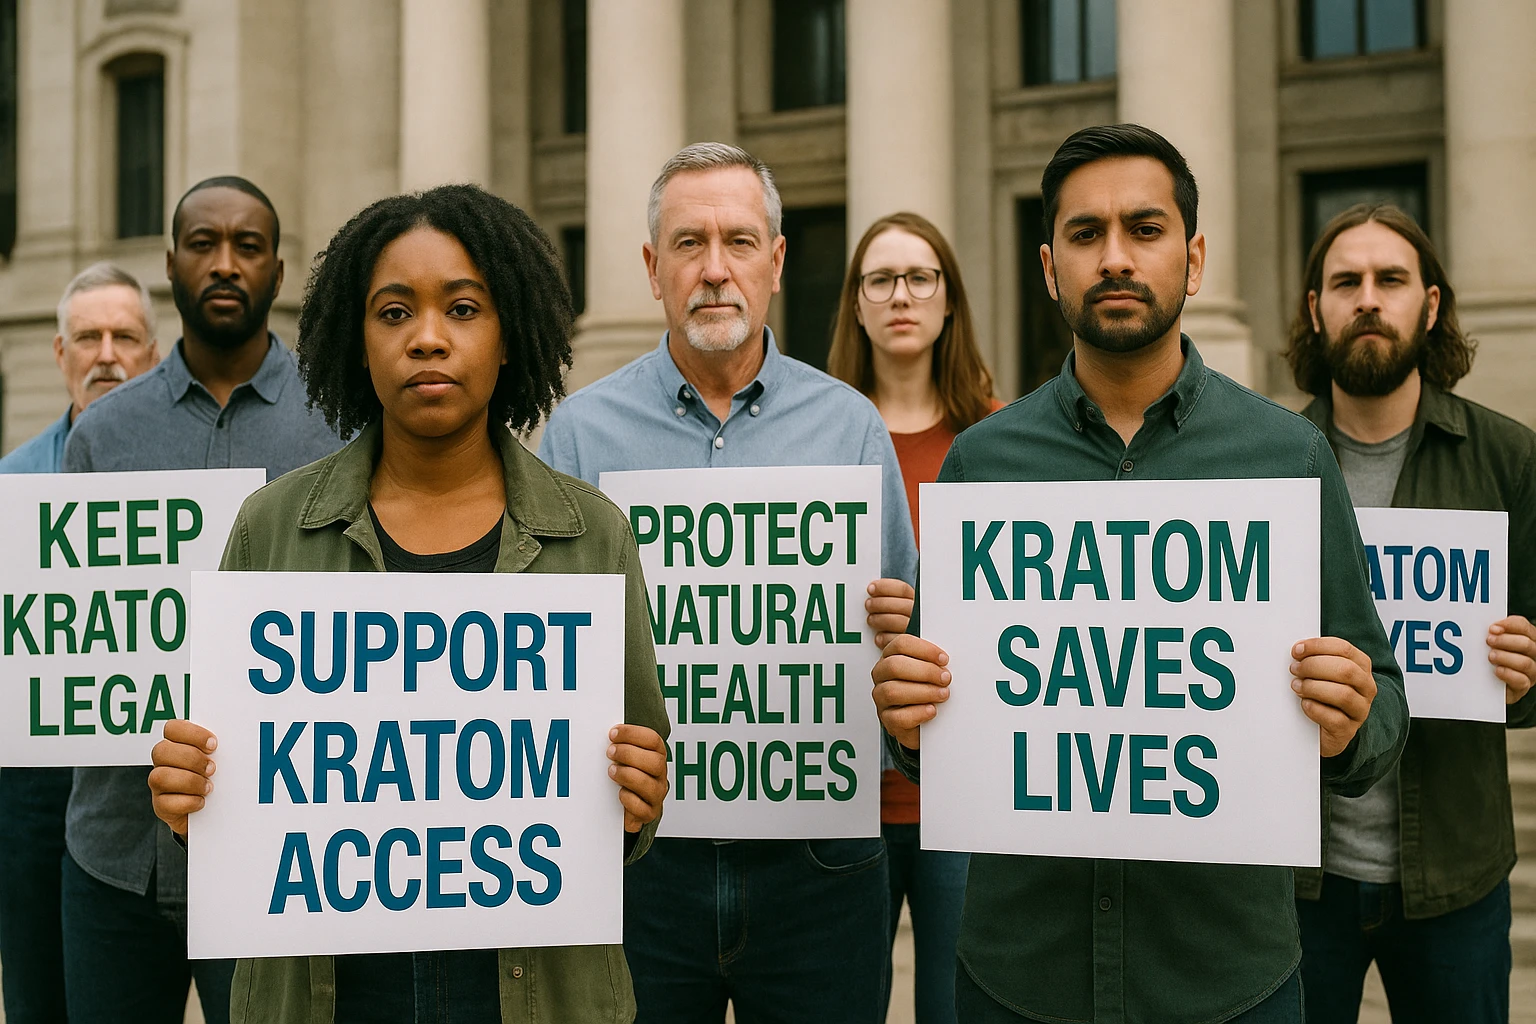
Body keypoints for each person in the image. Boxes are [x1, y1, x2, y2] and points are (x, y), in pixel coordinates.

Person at [870, 124, 1408, 1024]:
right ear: (1050, 267)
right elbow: (927, 731)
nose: (1115, 257)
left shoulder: (1287, 455)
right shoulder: (982, 464)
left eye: (1145, 230)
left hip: (1227, 981)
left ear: (1194, 259)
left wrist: (1350, 718)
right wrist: (908, 718)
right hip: (1018, 980)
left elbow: (1382, 710)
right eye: (1086, 235)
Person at [147, 182, 671, 1024]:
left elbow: (633, 787)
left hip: (529, 992)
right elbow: (228, 782)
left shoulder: (593, 535)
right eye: (394, 313)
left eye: (463, 308)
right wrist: (187, 801)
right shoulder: (269, 528)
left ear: (510, 340)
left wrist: (639, 795)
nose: (428, 338)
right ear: (356, 342)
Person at [537, 142, 920, 1023]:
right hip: (640, 864)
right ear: (651, 268)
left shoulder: (852, 428)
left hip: (821, 869)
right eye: (687, 244)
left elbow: (902, 666)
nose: (715, 270)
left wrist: (900, 657)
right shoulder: (579, 436)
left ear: (776, 262)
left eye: (739, 242)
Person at [60, 177, 341, 1024]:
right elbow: (70, 631)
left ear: (278, 268)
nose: (225, 263)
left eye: (247, 247)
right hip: (114, 855)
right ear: (171, 264)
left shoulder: (340, 427)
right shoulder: (101, 436)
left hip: (283, 866)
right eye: (203, 244)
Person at [1284, 203, 1536, 1024]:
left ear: (1429, 306)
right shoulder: (1268, 469)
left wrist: (1526, 674)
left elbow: (1533, 680)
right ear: (1314, 310)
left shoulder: (1508, 458)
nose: (1367, 299)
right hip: (1298, 882)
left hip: (1456, 881)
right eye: (1345, 282)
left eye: (1390, 280)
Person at [827, 211, 999, 1024]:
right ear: (856, 306)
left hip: (962, 800)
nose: (901, 296)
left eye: (920, 277)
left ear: (949, 301)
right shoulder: (814, 447)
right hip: (837, 798)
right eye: (880, 279)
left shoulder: (1002, 442)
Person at [0, 262, 160, 1023]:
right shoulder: (10, 486)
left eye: (125, 336)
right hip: (34, 786)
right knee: (39, 996)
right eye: (88, 338)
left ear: (153, 356)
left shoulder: (185, 484)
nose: (107, 354)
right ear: (59, 355)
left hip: (150, 788)